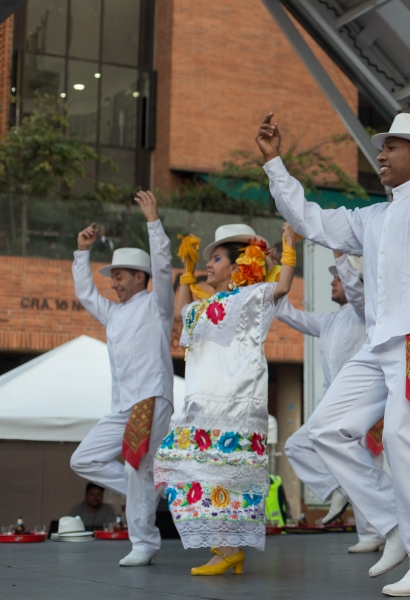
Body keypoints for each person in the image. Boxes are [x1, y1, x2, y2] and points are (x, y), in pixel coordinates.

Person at [257, 87, 410, 595]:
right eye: (382, 148)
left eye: (391, 147)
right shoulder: (370, 218)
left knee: (403, 436)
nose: (379, 155)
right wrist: (274, 164)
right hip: (379, 346)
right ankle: (395, 523)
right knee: (324, 432)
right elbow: (309, 219)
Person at [154, 222, 296, 575]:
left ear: (236, 267)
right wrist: (186, 276)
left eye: (215, 258)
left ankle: (228, 550)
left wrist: (289, 249)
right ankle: (227, 548)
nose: (208, 265)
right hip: (203, 406)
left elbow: (282, 285)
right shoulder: (207, 306)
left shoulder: (250, 299)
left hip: (235, 402)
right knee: (180, 468)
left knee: (226, 478)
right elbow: (181, 313)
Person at [70, 191, 174, 567]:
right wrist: (82, 252)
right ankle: (153, 488)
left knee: (136, 467)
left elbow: (164, 269)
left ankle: (144, 542)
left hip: (152, 398)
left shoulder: (157, 305)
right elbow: (84, 292)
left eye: (119, 276)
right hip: (122, 405)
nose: (113, 284)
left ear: (138, 277)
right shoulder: (113, 313)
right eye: (112, 277)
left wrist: (153, 221)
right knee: (84, 459)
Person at [279, 252, 387, 552]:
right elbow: (288, 314)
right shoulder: (328, 320)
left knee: (366, 463)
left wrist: (343, 255)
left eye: (338, 277)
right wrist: (268, 273)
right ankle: (337, 490)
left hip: (365, 402)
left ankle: (374, 533)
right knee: (297, 445)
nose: (332, 282)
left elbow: (357, 293)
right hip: (335, 406)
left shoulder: (366, 311)